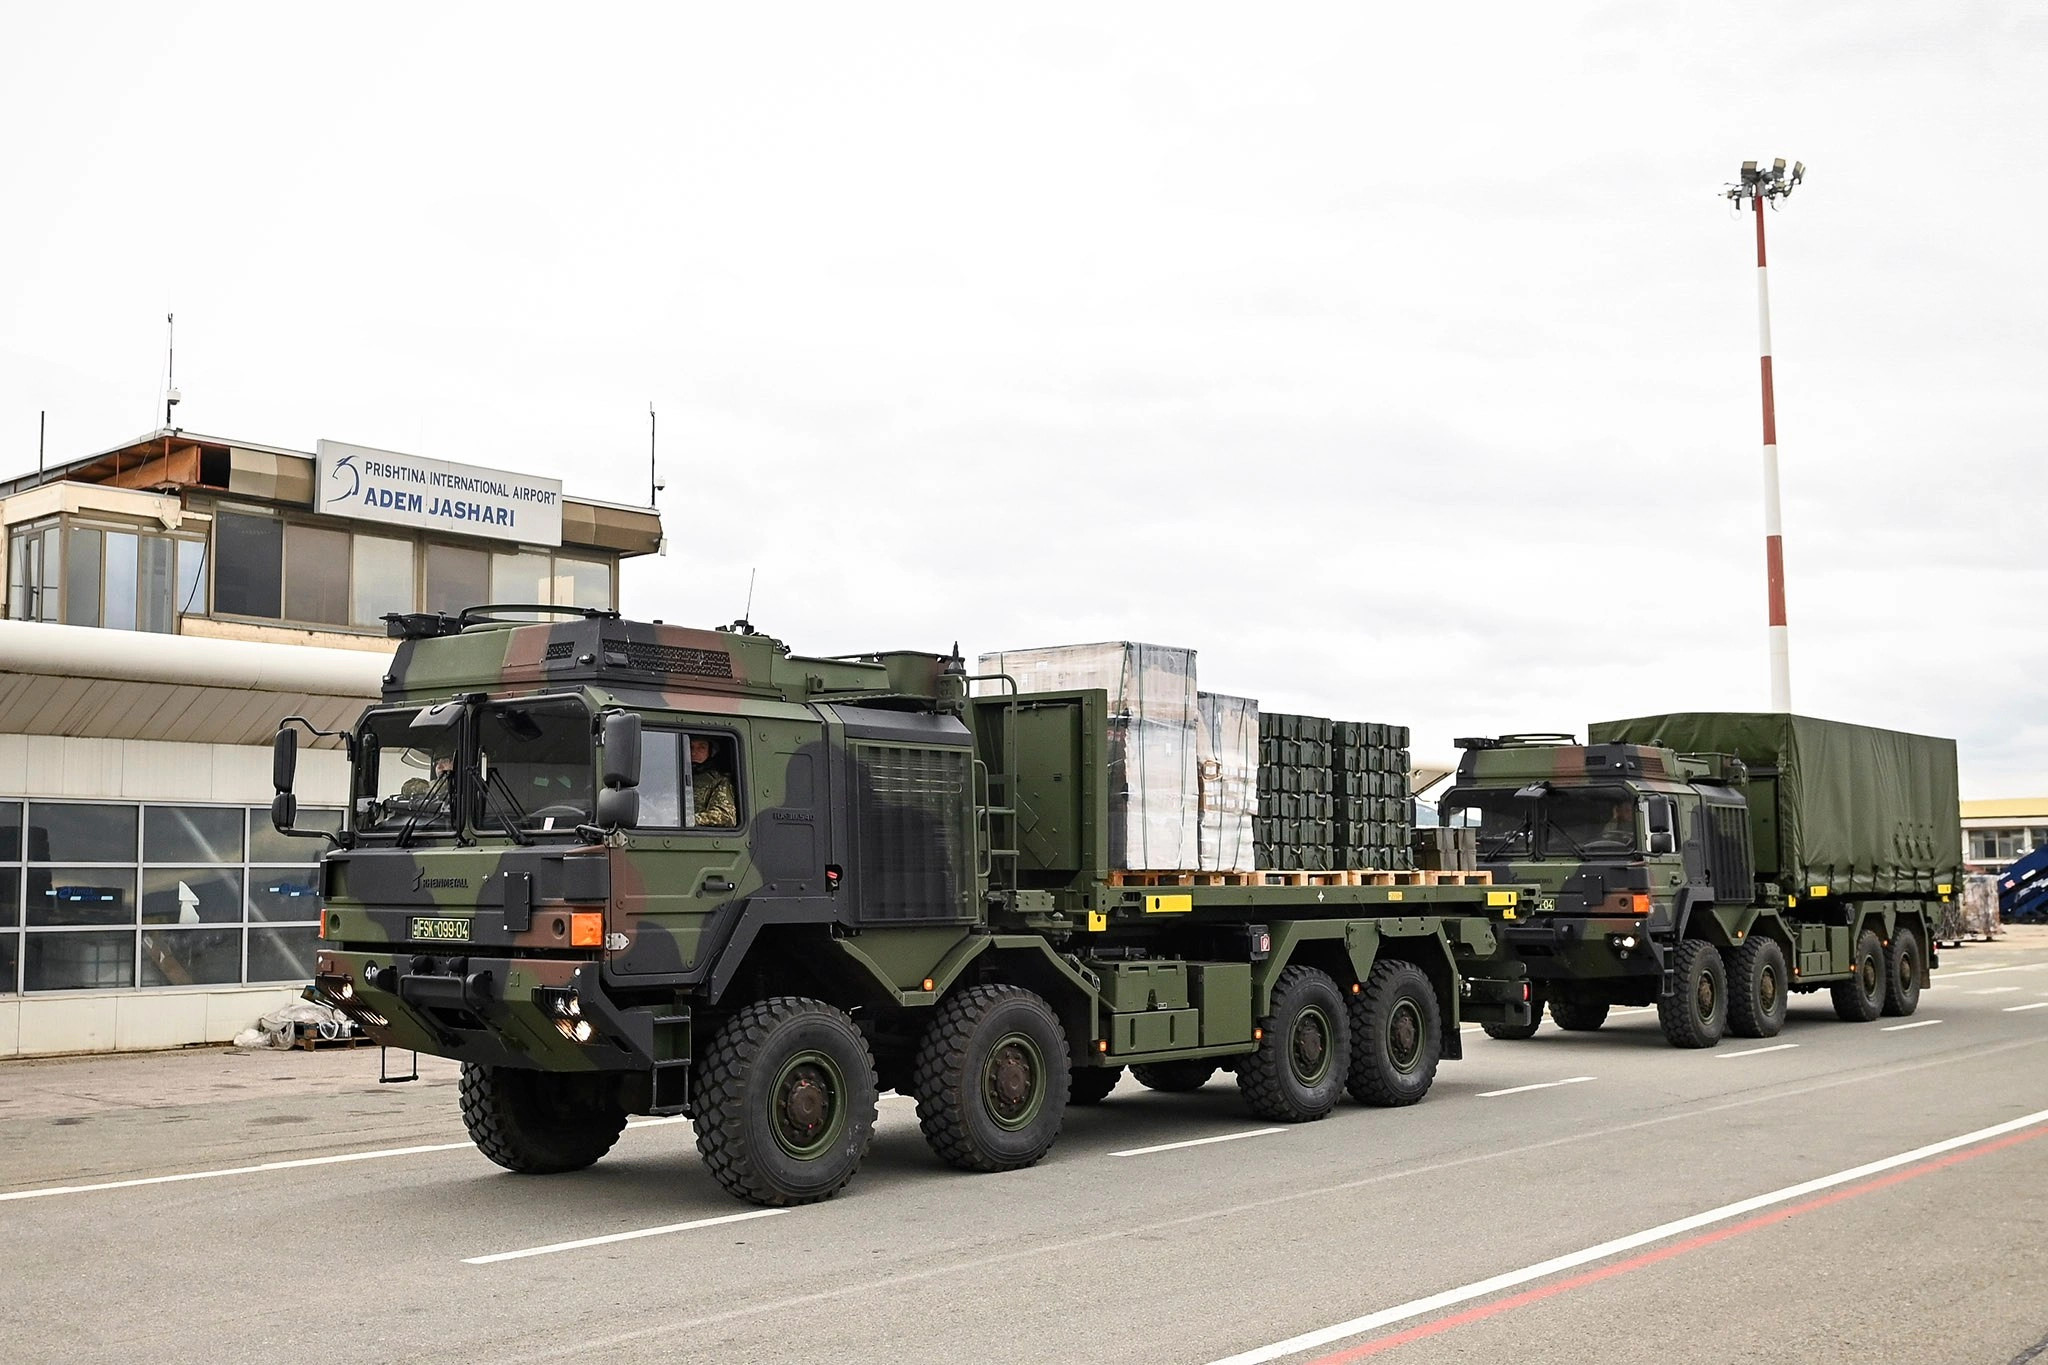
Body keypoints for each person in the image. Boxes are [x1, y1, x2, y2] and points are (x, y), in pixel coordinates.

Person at [690, 735, 738, 828]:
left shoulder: (719, 780)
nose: (694, 752)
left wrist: (689, 820)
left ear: (710, 751)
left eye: (702, 747)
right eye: (690, 747)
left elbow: (726, 816)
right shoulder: (673, 778)